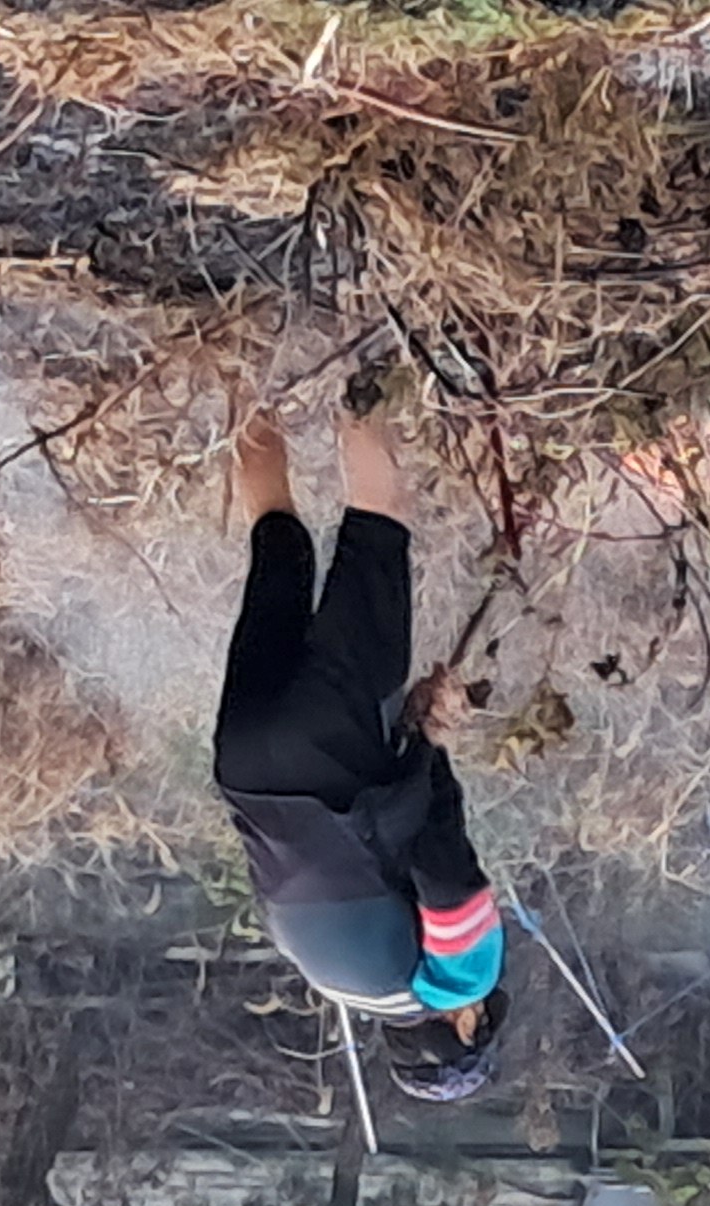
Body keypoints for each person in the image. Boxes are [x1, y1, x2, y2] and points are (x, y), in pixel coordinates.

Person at [212, 396, 510, 1102]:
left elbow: (440, 861)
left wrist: (429, 738)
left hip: (331, 757)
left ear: (465, 1025)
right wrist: (413, 751)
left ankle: (364, 369)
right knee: (277, 541)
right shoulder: (332, 980)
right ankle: (241, 365)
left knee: (378, 526)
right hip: (243, 763)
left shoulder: (458, 982)